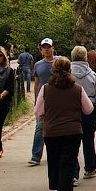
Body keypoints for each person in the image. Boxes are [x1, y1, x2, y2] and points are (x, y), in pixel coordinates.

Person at [35, 57, 94, 191]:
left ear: (52, 70)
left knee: (54, 162)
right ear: (70, 70)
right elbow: (88, 109)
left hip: (51, 131)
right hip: (72, 131)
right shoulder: (77, 89)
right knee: (67, 162)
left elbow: (38, 111)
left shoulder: (46, 89)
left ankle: (56, 190)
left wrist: (45, 117)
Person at [70, 46, 96, 179]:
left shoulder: (67, 74)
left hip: (71, 110)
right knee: (88, 140)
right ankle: (90, 167)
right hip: (89, 110)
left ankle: (73, 173)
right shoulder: (92, 75)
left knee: (72, 142)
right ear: (85, 57)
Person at [29, 38, 59, 166]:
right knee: (40, 127)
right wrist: (36, 100)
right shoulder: (38, 65)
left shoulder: (59, 62)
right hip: (43, 100)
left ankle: (57, 153)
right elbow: (36, 83)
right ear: (41, 50)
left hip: (58, 99)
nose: (46, 49)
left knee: (57, 127)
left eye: (48, 47)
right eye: (44, 47)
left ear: (53, 48)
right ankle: (36, 155)